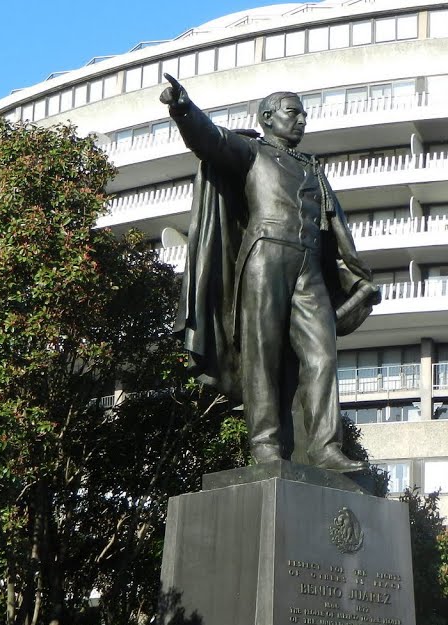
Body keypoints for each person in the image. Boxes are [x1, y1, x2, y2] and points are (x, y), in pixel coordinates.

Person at [160, 74, 380, 473]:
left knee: (322, 355)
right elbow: (210, 139)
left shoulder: (314, 169)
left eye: (303, 115)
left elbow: (337, 230)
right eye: (293, 113)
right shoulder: (251, 151)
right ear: (267, 117)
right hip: (265, 257)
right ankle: (265, 445)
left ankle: (326, 448)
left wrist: (355, 273)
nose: (301, 121)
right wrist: (183, 109)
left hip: (311, 266)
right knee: (262, 355)